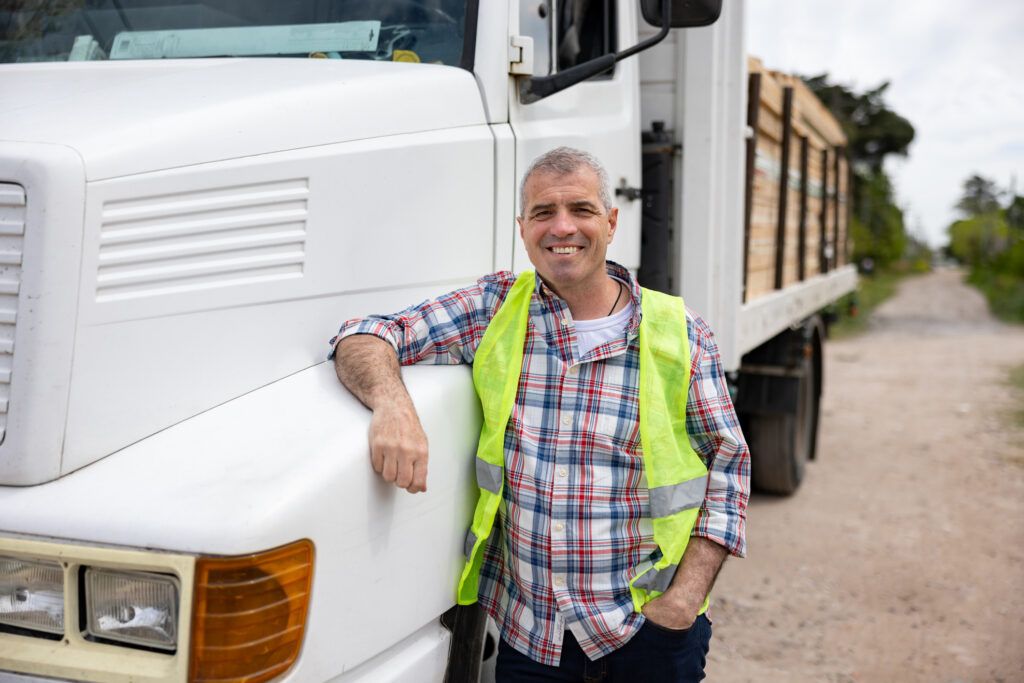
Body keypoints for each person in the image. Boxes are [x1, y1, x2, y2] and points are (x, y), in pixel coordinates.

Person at [331, 147, 749, 681]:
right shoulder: (494, 307)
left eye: (581, 209)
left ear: (612, 221)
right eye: (543, 213)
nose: (562, 227)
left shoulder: (679, 330)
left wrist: (682, 603)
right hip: (533, 637)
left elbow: (729, 466)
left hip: (647, 630)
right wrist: (393, 405)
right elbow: (365, 334)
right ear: (522, 227)